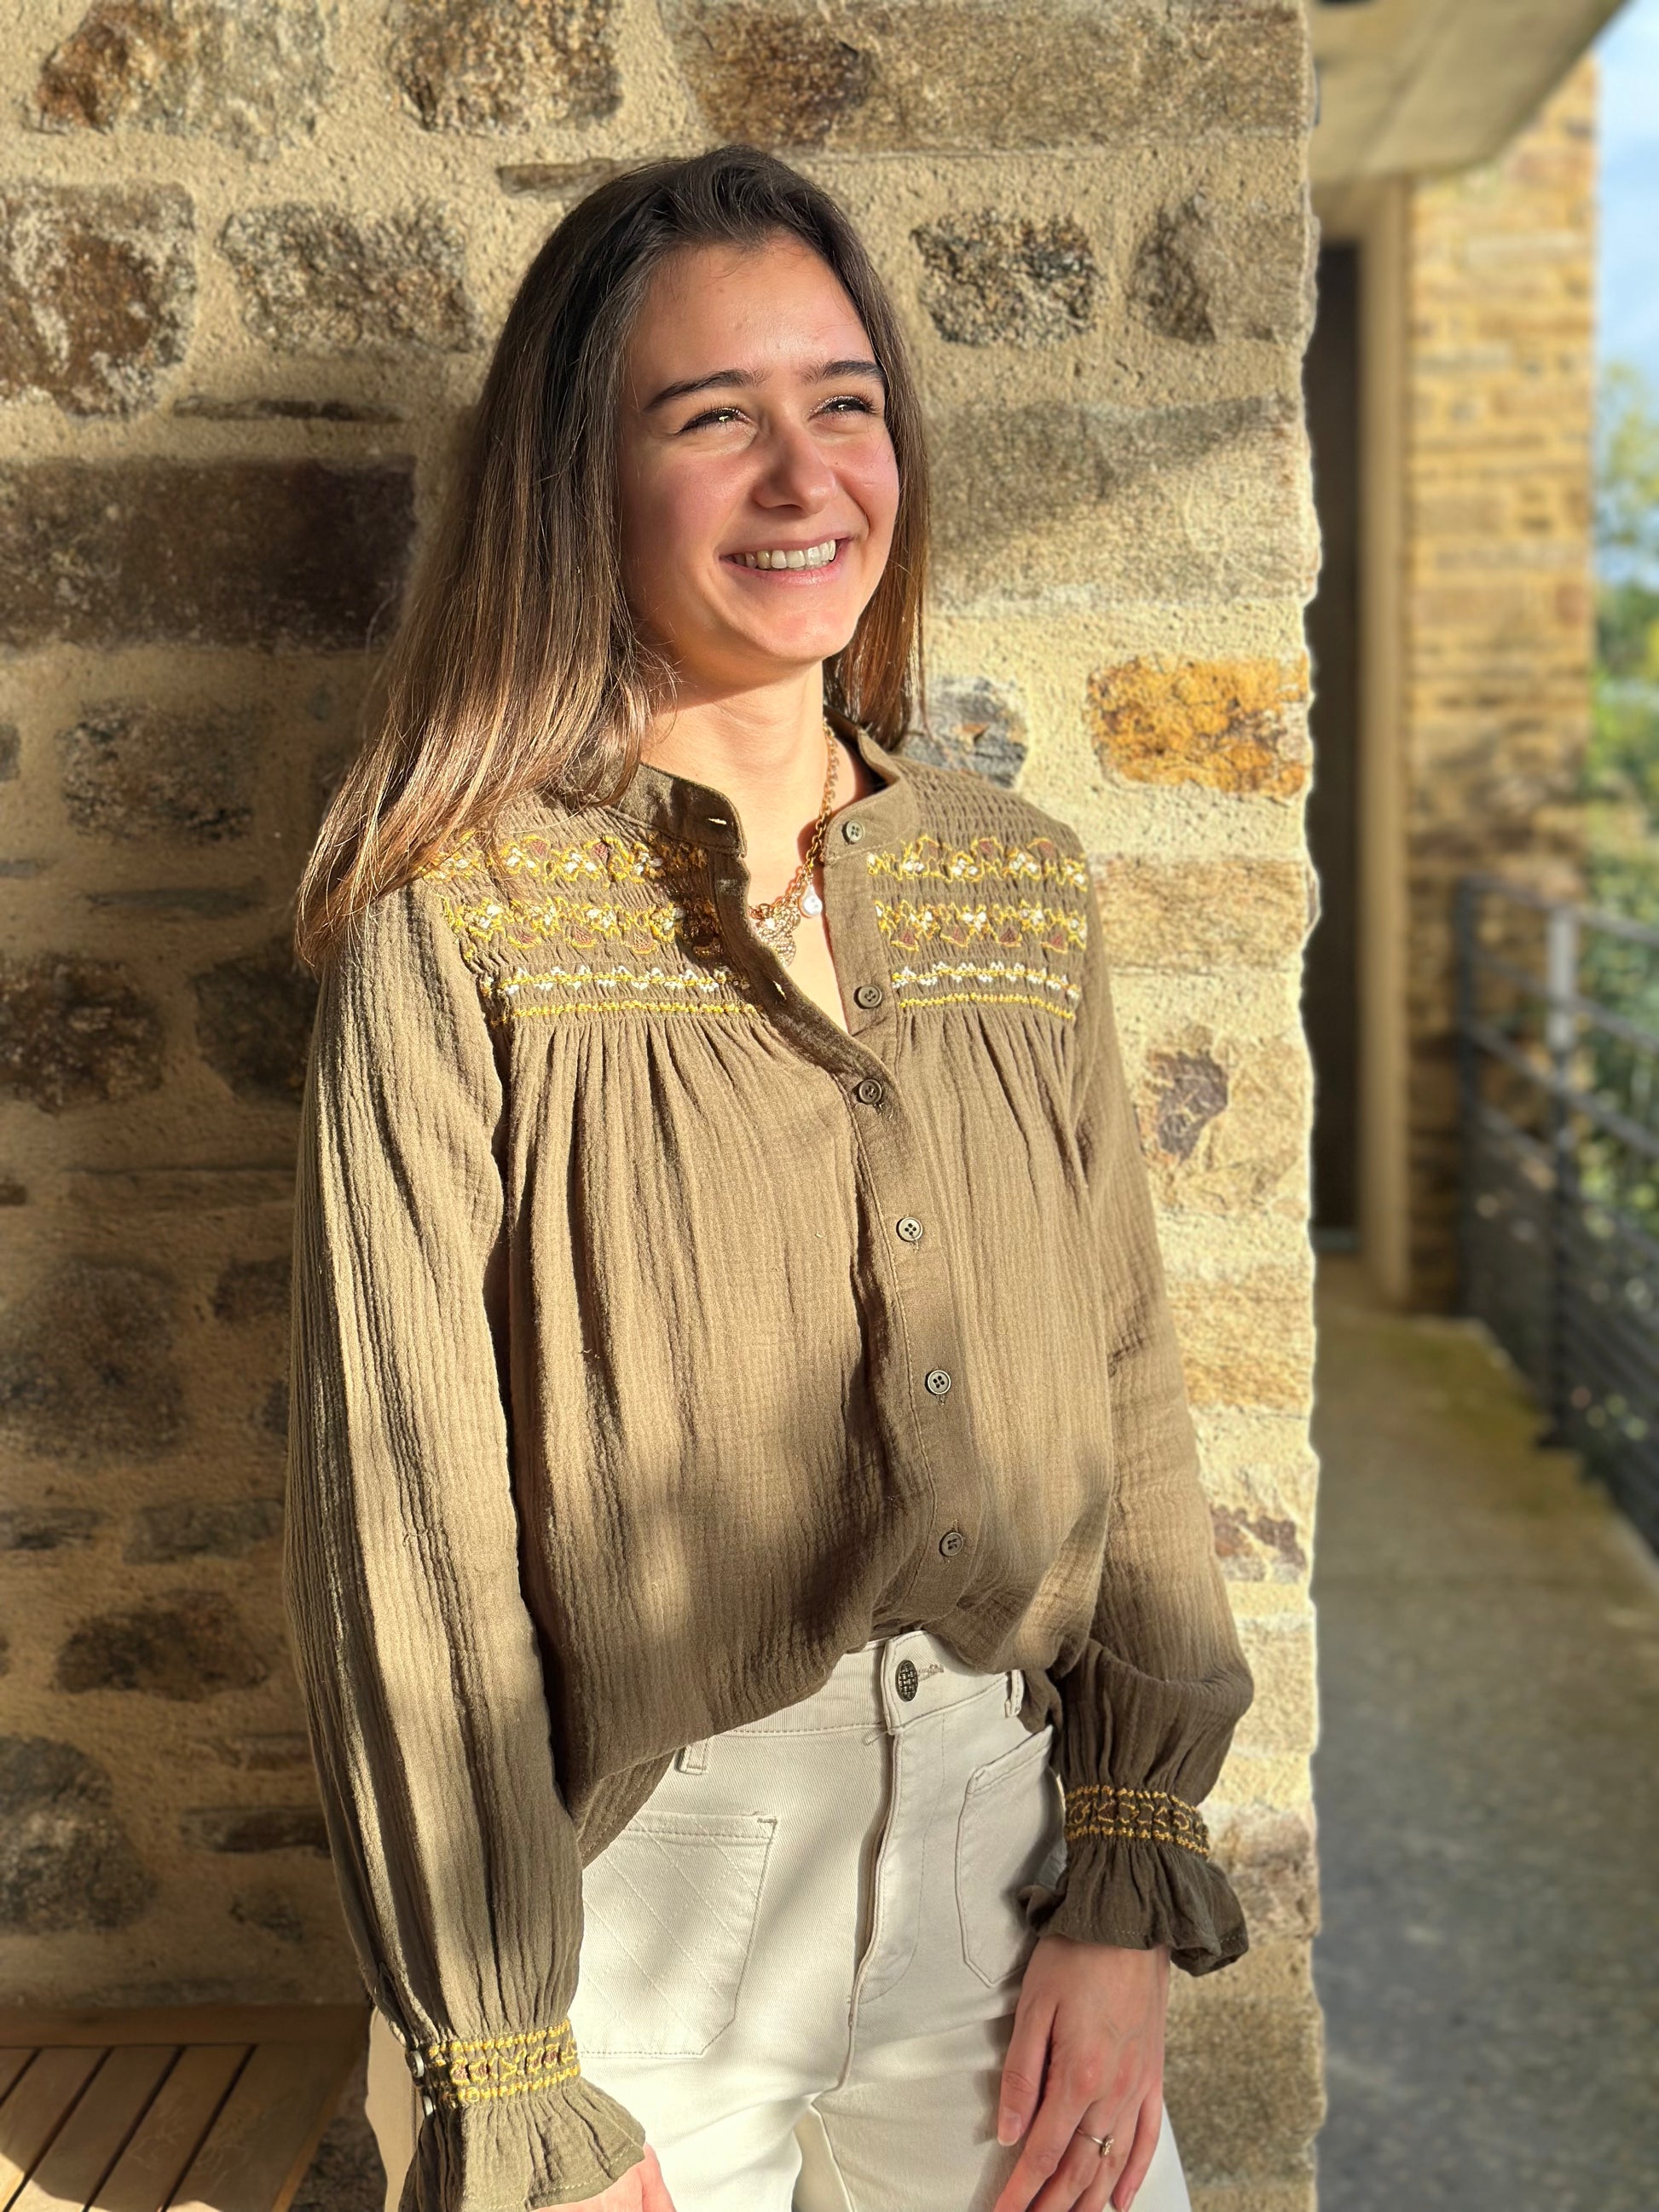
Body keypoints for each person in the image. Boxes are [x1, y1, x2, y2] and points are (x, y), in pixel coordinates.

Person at [281, 145, 1255, 2212]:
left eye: (844, 402)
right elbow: (405, 1531)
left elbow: (1127, 1384)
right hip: (616, 1920)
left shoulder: (1013, 884)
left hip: (1005, 1864)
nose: (805, 478)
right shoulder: (455, 920)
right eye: (712, 416)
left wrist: (1125, 1864)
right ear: (582, 478)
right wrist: (507, 2065)